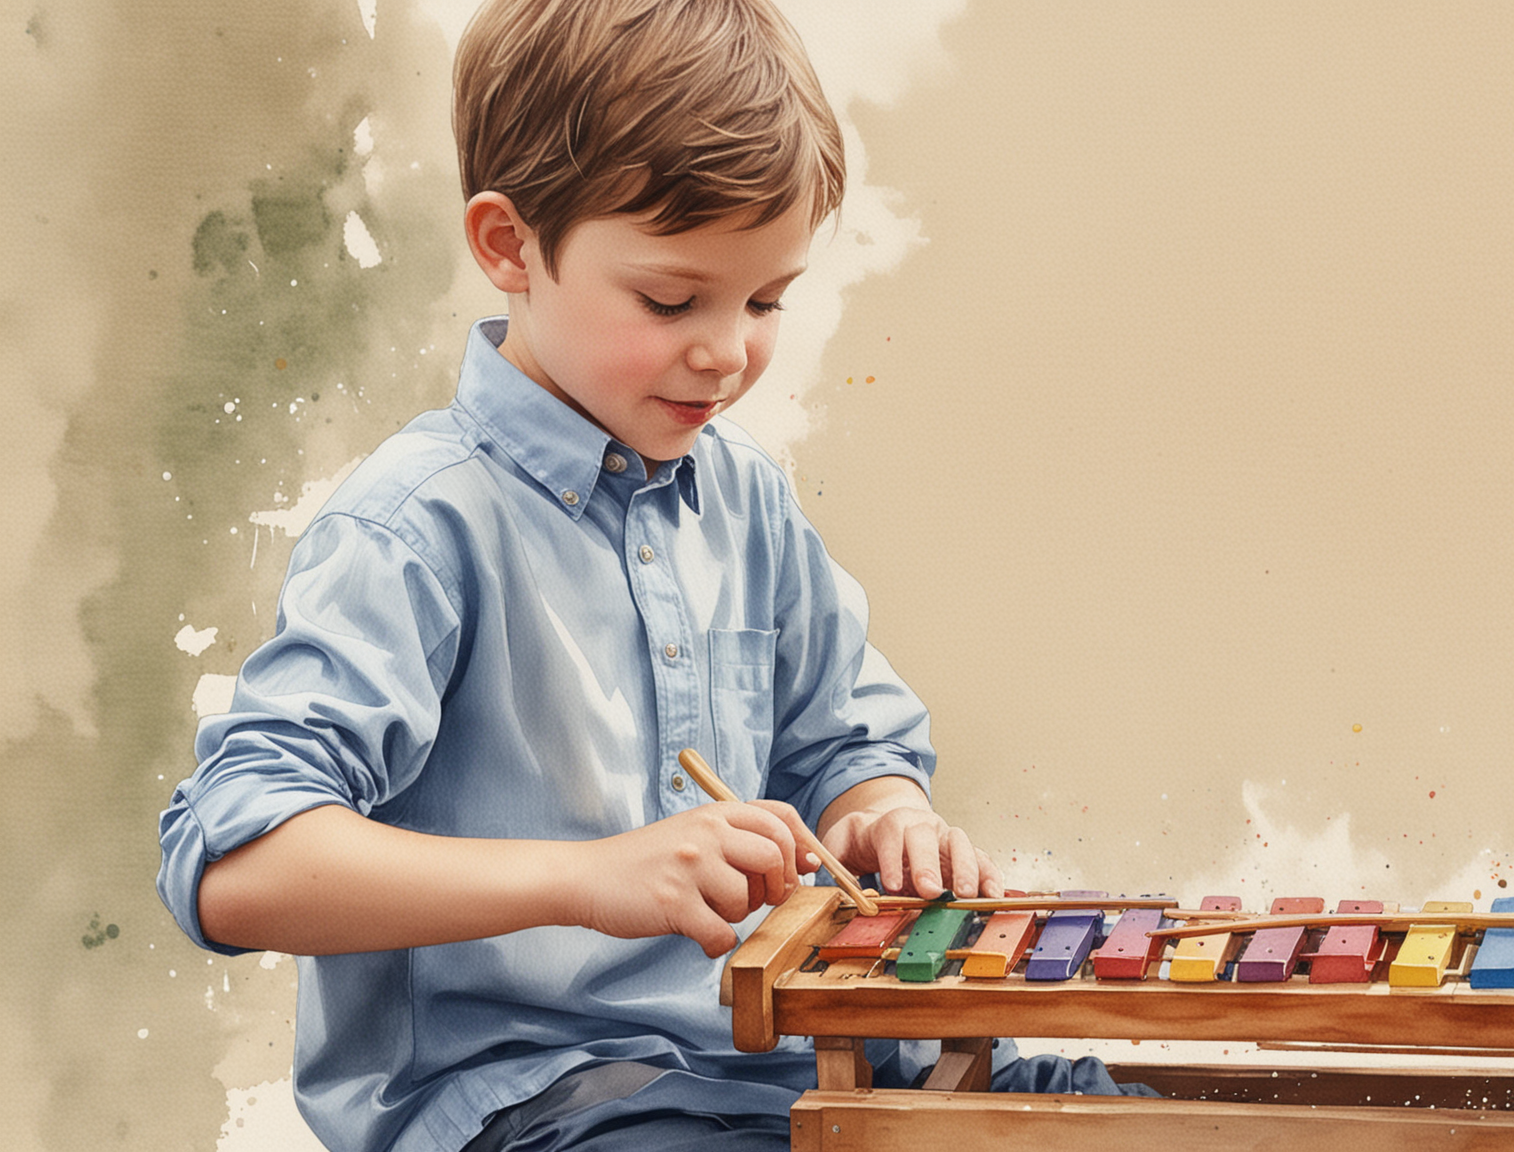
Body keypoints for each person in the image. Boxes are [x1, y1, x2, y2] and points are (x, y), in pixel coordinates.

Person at [155, 2, 1145, 1148]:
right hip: (547, 1102)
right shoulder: (414, 529)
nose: (727, 350)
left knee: (1109, 1116)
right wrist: (587, 878)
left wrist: (886, 817)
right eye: (673, 301)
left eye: (765, 300)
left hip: (789, 1061)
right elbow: (233, 860)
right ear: (507, 246)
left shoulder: (747, 501)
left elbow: (845, 747)